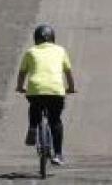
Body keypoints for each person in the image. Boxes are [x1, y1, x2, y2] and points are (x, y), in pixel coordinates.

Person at [16, 24, 76, 166]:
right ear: (53, 38)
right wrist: (71, 88)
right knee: (55, 121)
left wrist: (19, 87)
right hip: (56, 91)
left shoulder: (30, 51)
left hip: (35, 89)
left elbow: (22, 73)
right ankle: (58, 154)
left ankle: (32, 128)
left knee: (35, 106)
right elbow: (68, 73)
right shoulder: (61, 50)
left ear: (35, 39)